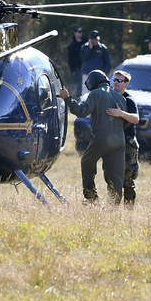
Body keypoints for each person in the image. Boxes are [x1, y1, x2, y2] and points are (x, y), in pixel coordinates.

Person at [62, 70, 127, 204]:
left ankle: (91, 197)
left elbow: (81, 111)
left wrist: (67, 98)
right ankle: (113, 206)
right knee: (116, 175)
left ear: (92, 83)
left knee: (86, 162)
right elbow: (125, 120)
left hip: (102, 137)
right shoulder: (120, 97)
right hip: (120, 139)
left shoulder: (96, 93)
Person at [110, 69, 141, 205]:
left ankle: (129, 211)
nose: (115, 83)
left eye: (119, 81)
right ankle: (113, 208)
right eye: (114, 80)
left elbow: (136, 119)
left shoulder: (128, 100)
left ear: (126, 84)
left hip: (128, 144)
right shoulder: (109, 97)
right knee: (111, 177)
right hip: (113, 143)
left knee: (127, 178)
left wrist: (120, 113)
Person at [66, 25, 86, 96]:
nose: (81, 33)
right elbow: (70, 60)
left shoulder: (86, 42)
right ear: (75, 33)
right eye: (79, 31)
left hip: (87, 68)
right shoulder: (72, 46)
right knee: (79, 87)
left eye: (82, 31)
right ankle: (79, 102)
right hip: (78, 69)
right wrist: (73, 71)